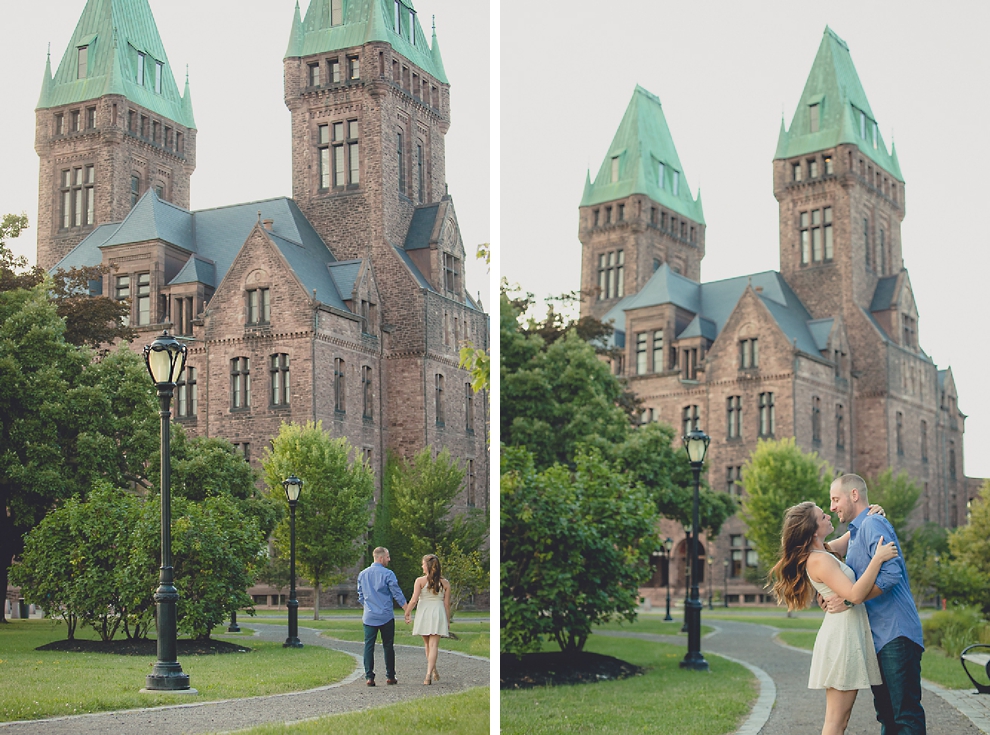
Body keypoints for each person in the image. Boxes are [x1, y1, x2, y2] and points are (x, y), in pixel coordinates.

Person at [769, 501, 899, 735]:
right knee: (836, 722)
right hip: (842, 639)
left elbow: (853, 533)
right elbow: (855, 595)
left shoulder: (824, 551)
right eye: (822, 517)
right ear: (813, 530)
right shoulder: (820, 560)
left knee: (841, 719)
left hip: (846, 633)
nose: (829, 515)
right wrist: (878, 559)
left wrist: (871, 514)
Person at [822, 474, 927, 734]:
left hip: (896, 634)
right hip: (876, 638)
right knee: (887, 715)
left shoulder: (872, 525)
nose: (832, 507)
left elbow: (891, 574)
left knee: (905, 716)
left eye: (836, 499)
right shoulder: (856, 532)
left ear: (854, 495)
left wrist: (850, 599)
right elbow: (820, 552)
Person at [357, 546, 408, 686]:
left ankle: (369, 677)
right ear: (380, 558)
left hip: (369, 616)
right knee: (388, 646)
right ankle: (390, 676)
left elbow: (360, 596)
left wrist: (368, 606)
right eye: (387, 557)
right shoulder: (388, 574)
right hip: (386, 616)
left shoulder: (362, 574)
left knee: (368, 646)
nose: (389, 559)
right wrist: (406, 609)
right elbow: (396, 593)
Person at [404, 553, 451, 685]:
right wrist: (447, 620)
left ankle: (428, 674)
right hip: (438, 613)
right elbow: (447, 605)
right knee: (433, 645)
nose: (422, 566)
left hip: (424, 612)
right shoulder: (445, 583)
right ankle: (431, 671)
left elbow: (413, 600)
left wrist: (407, 613)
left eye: (423, 564)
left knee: (428, 645)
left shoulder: (420, 581)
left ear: (428, 566)